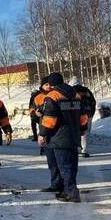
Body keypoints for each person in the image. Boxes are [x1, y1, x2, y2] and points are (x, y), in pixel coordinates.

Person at [38, 73, 88, 202]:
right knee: (72, 166)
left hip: (59, 138)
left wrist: (42, 134)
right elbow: (83, 117)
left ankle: (71, 192)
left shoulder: (52, 96)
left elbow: (50, 119)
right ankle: (69, 190)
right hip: (74, 136)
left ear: (52, 84)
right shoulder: (75, 95)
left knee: (64, 166)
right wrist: (82, 130)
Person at [69, 77, 96, 158]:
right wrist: (91, 114)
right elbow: (93, 102)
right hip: (87, 115)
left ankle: (76, 149)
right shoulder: (87, 91)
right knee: (85, 132)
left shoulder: (70, 92)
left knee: (74, 132)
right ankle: (84, 150)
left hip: (75, 115)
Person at [29, 77, 52, 143]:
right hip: (43, 125)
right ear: (42, 86)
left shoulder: (56, 95)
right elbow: (31, 109)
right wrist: (35, 113)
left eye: (50, 84)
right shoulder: (38, 97)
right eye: (46, 84)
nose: (49, 86)